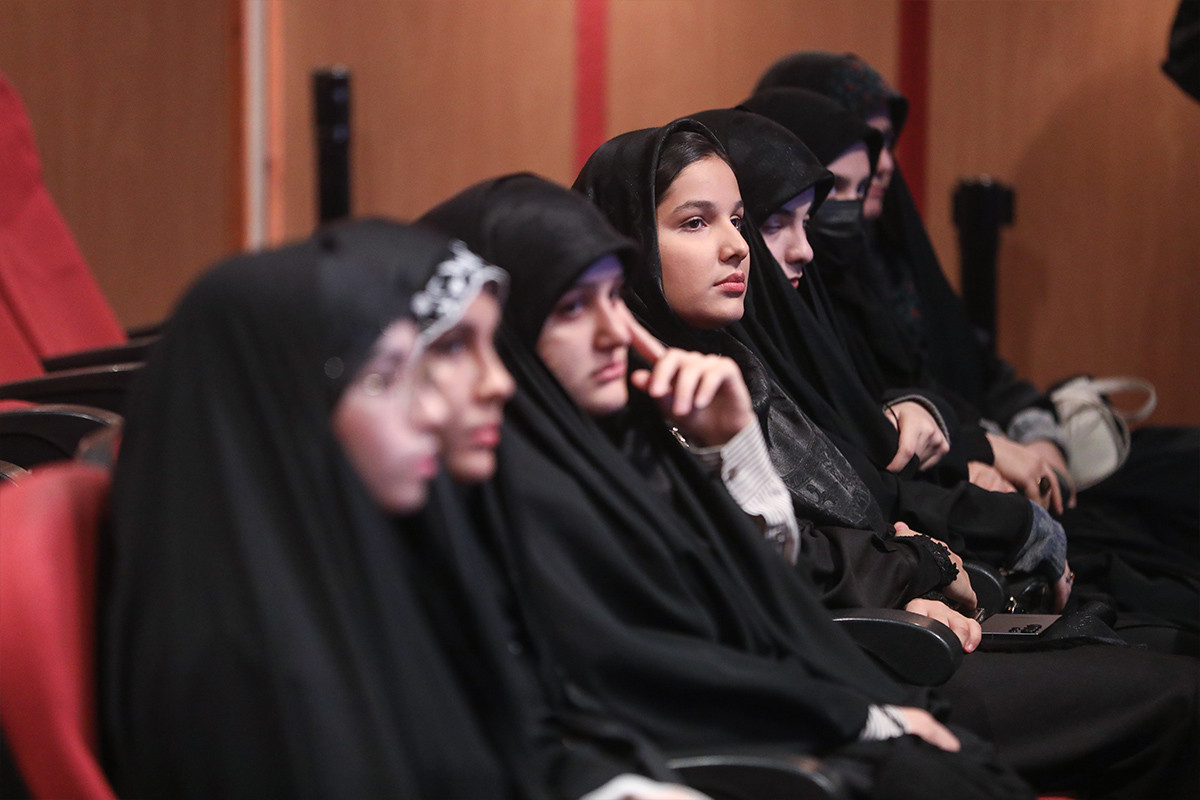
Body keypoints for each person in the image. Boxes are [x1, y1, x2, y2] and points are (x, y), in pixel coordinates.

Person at [574, 121, 1199, 798]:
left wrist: (912, 560)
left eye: (739, 220)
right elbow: (752, 571)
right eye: (696, 223)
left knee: (1156, 639)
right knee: (1172, 693)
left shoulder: (730, 359)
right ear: (624, 244)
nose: (737, 246)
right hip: (803, 679)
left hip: (855, 643)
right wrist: (914, 565)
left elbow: (810, 525)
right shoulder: (627, 401)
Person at [420, 173, 1035, 800]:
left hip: (777, 711)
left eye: (612, 297)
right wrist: (858, 717)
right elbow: (637, 679)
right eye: (573, 308)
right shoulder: (503, 484)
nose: (614, 332)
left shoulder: (615, 433)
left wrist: (732, 446)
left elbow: (752, 594)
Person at [100, 219, 707, 799]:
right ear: (287, 411)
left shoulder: (354, 564)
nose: (432, 410)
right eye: (386, 378)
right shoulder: (241, 678)